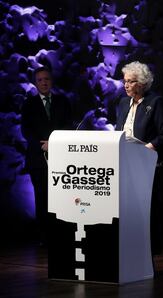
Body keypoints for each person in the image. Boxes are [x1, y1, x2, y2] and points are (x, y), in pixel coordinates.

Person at [115, 61, 163, 256]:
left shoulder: (155, 102)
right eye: (125, 81)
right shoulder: (122, 103)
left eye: (131, 81)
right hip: (126, 163)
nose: (126, 85)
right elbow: (118, 132)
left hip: (147, 163)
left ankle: (151, 249)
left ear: (142, 83)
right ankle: (131, 245)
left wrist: (147, 148)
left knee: (147, 207)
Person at [21, 66, 72, 245]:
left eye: (47, 79)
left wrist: (55, 143)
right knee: (42, 198)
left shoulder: (62, 102)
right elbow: (26, 130)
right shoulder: (29, 104)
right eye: (40, 80)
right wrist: (42, 145)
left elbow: (68, 126)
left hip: (61, 158)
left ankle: (60, 234)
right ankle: (44, 236)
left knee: (60, 198)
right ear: (36, 83)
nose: (44, 82)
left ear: (51, 81)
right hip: (38, 160)